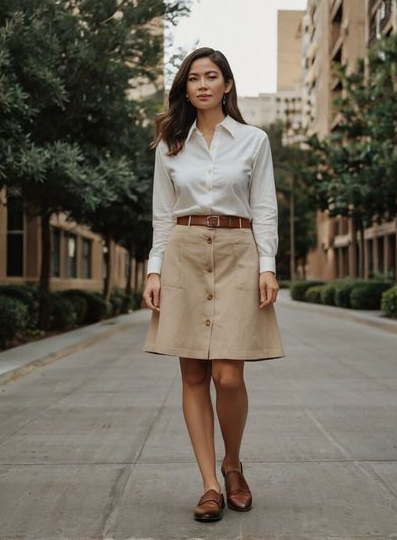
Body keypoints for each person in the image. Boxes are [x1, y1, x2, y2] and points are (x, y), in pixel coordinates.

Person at [142, 46, 285, 522]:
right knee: (193, 375)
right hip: (183, 251)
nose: (202, 84)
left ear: (227, 85)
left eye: (211, 76)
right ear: (185, 87)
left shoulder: (253, 140)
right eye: (193, 78)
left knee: (228, 375)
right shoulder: (169, 145)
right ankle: (208, 484)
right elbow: (163, 214)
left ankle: (233, 463)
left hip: (236, 252)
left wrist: (268, 264)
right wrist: (154, 269)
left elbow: (263, 206)